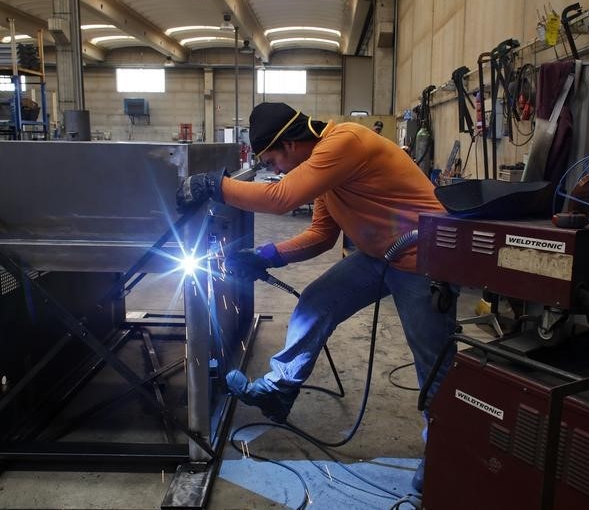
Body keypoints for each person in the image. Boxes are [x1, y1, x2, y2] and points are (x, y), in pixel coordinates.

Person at [176, 102, 457, 492]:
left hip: (426, 258)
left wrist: (215, 186)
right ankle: (279, 390)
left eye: (273, 159)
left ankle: (446, 455)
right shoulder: (326, 173)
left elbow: (281, 199)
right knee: (315, 303)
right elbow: (321, 236)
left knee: (432, 362)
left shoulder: (345, 141)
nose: (276, 169)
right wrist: (265, 256)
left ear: (290, 145)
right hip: (380, 257)